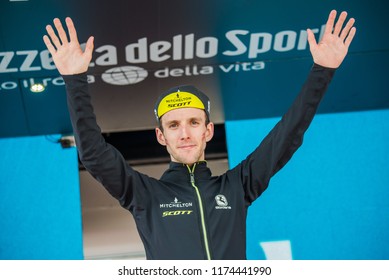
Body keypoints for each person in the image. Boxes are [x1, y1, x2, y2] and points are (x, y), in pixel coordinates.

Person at [43, 10, 356, 260]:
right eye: (174, 125)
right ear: (161, 136)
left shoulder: (237, 186)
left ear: (208, 130)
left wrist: (321, 71)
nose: (185, 133)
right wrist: (75, 80)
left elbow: (286, 136)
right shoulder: (145, 196)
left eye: (193, 122)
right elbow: (94, 156)